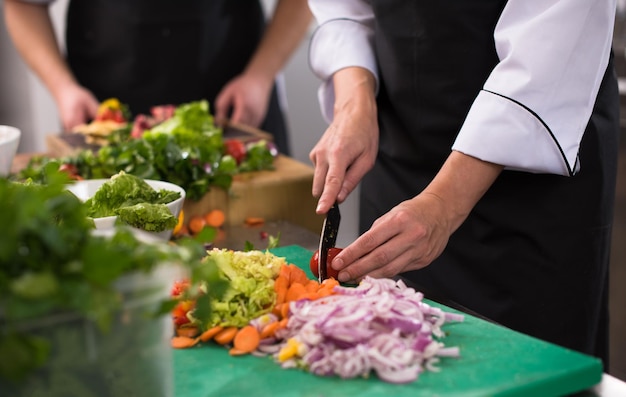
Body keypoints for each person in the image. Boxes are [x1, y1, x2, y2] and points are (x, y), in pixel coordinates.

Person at [307, 0, 619, 367]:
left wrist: (444, 201)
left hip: (531, 185)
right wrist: (354, 103)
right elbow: (343, 9)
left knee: (523, 368)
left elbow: (552, 43)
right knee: (388, 348)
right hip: (399, 151)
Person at [3, 0, 312, 154]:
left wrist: (260, 75)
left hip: (237, 109)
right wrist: (63, 89)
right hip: (104, 117)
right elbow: (23, 3)